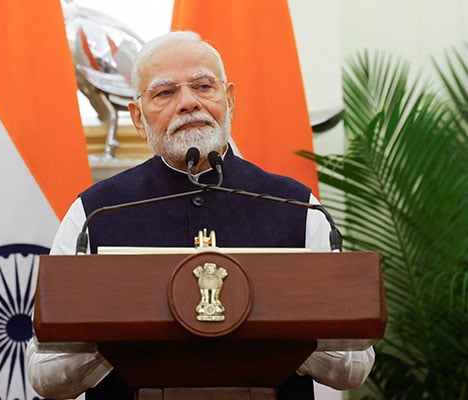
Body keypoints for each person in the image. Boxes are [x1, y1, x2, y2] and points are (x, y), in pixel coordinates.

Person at [26, 30, 375, 400]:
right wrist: (117, 338)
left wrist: (282, 334)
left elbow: (353, 367)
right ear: (138, 118)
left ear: (229, 98)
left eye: (203, 86)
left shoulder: (297, 207)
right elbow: (45, 374)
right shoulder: (94, 214)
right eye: (165, 92)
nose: (188, 102)